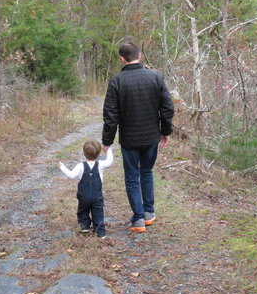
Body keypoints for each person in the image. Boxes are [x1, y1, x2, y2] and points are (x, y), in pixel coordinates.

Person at [102, 40, 174, 233]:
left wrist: (106, 142)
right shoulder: (155, 77)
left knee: (133, 177)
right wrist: (165, 131)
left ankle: (139, 219)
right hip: (151, 138)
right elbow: (167, 107)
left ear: (121, 59)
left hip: (129, 140)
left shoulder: (117, 81)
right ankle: (148, 212)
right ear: (139, 56)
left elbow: (110, 115)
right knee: (147, 172)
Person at [59, 140, 114, 238]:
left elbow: (71, 175)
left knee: (83, 212)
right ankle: (100, 233)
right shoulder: (100, 165)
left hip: (84, 196)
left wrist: (62, 167)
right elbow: (110, 161)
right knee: (98, 213)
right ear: (98, 154)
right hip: (97, 196)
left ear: (84, 153)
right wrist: (108, 150)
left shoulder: (81, 166)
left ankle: (84, 228)